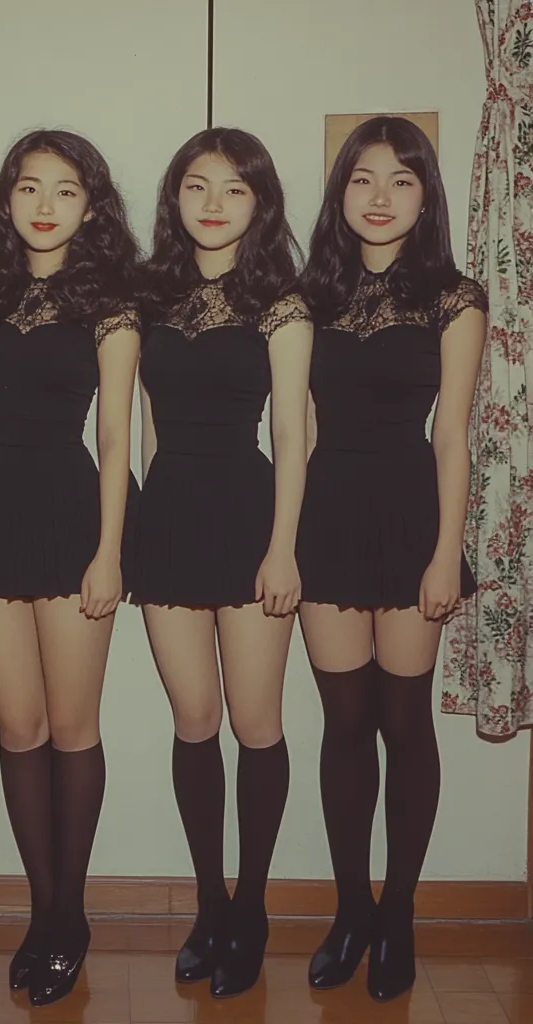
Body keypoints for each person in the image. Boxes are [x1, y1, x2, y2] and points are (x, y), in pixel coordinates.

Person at [297, 115, 487, 1002]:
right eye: (362, 179)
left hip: (414, 518)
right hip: (327, 515)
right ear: (340, 193)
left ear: (426, 195)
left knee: (405, 724)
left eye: (401, 180)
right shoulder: (309, 296)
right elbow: (282, 418)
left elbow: (452, 436)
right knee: (343, 726)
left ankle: (400, 909)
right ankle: (350, 908)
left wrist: (446, 554)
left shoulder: (456, 298)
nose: (379, 197)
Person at [0, 129, 140, 1006]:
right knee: (18, 728)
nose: (44, 205)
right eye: (30, 187)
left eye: (65, 191)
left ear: (90, 206)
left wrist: (110, 550)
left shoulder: (110, 302)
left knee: (73, 726)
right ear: (7, 198)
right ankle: (42, 909)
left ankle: (70, 913)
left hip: (73, 513)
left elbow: (114, 436)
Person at [135, 127, 311, 998]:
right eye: (196, 186)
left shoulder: (282, 303)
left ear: (259, 203)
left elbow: (292, 434)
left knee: (255, 723)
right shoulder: (149, 297)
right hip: (166, 518)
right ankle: (209, 902)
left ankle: (254, 904)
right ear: (174, 200)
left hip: (250, 516)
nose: (212, 202)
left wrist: (284, 548)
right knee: (194, 720)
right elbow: (142, 423)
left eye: (233, 188)